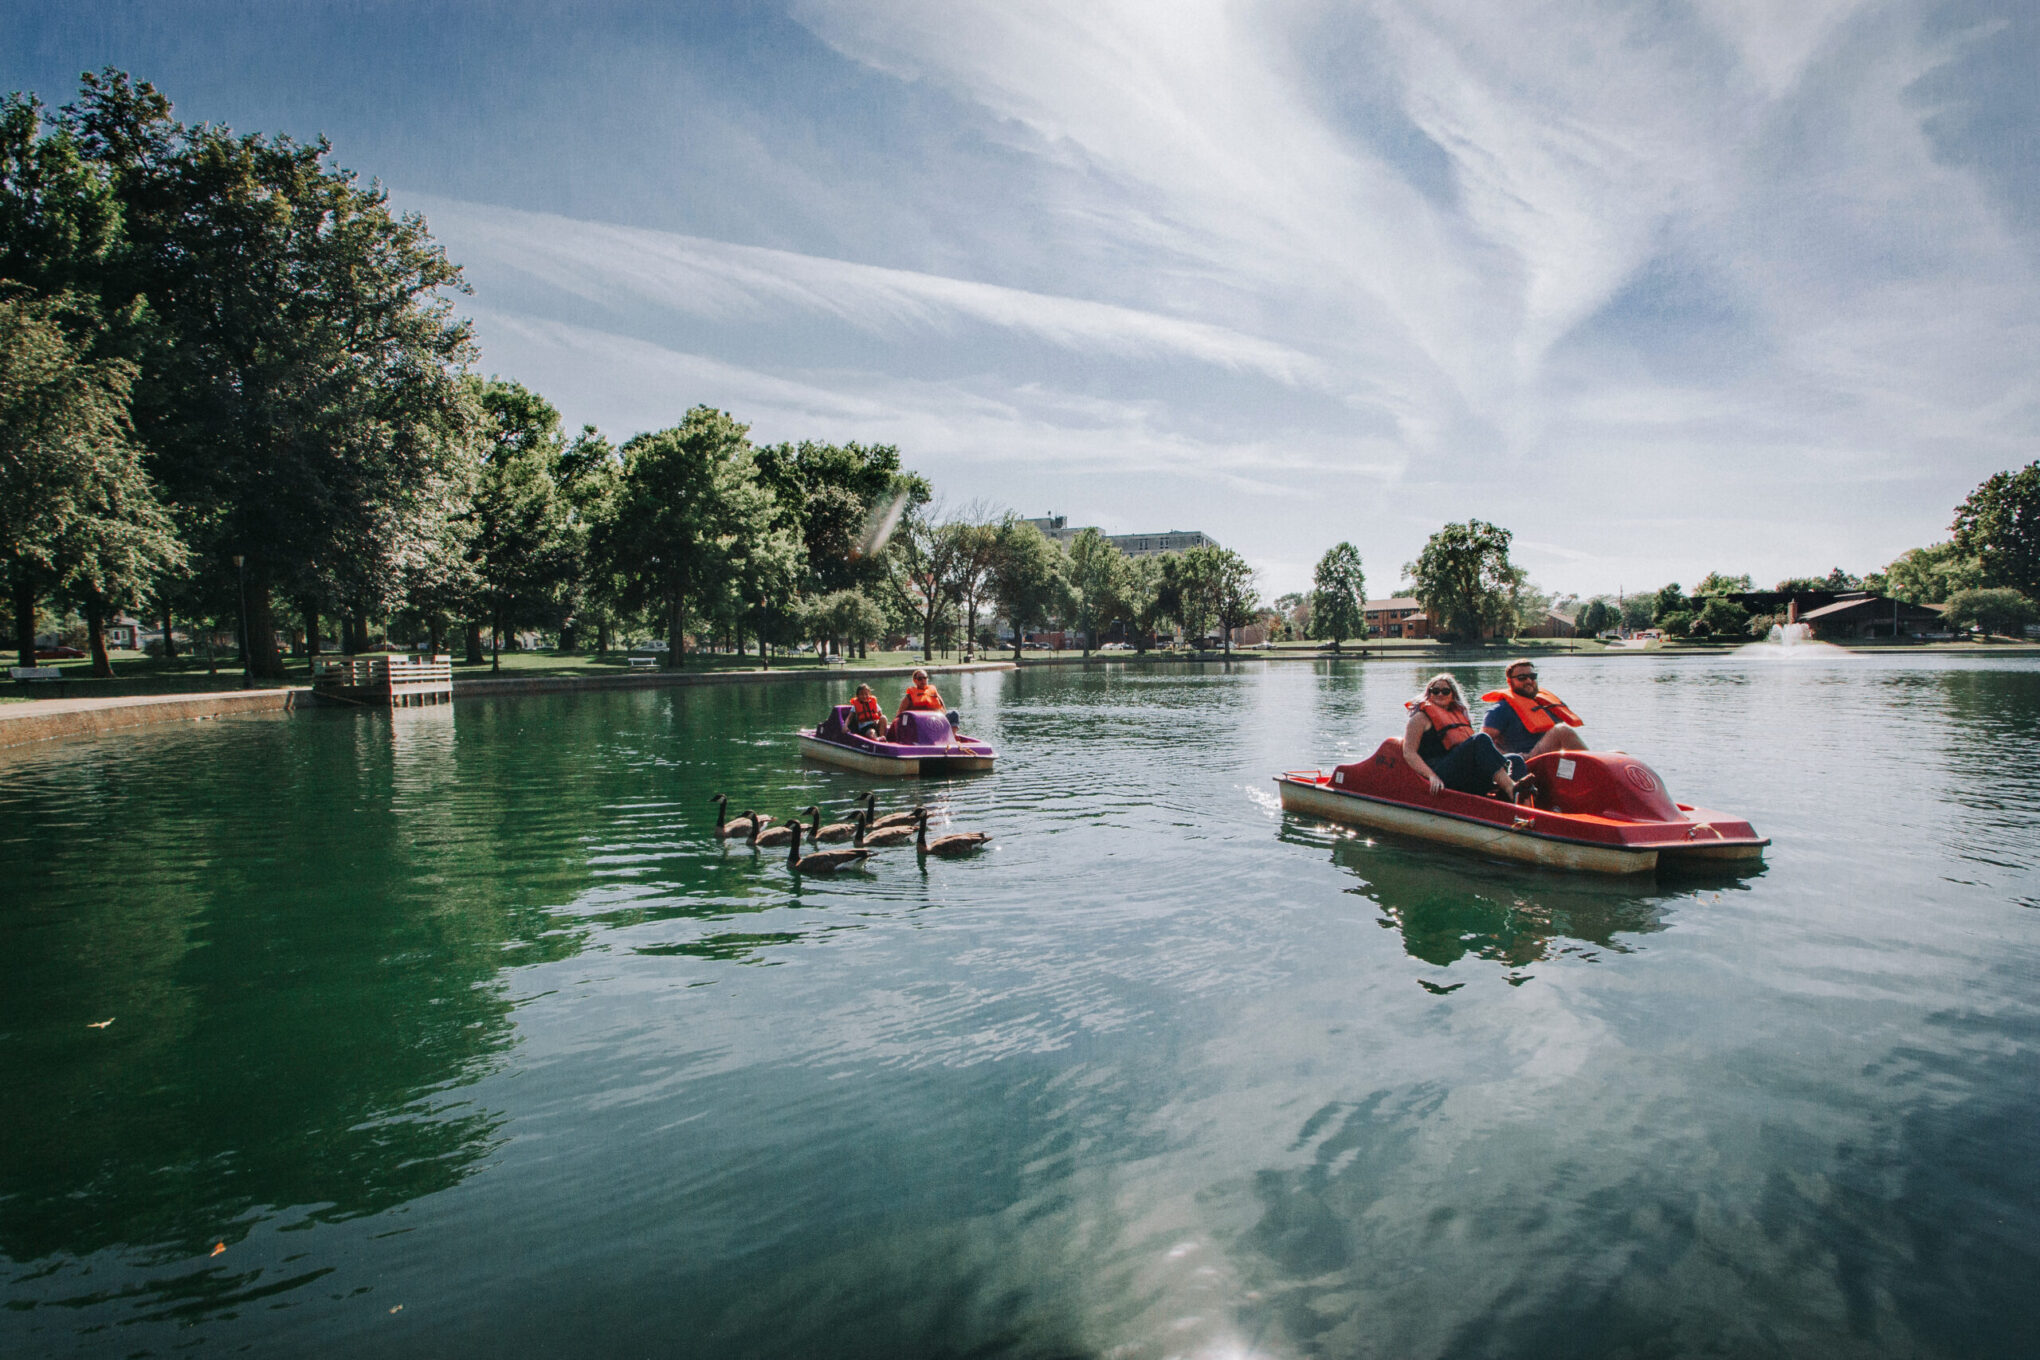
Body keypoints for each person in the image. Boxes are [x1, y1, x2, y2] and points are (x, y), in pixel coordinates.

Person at [1402, 673, 1518, 798]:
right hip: (1439, 773)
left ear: (1453, 696)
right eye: (1435, 691)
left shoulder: (1459, 716)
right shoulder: (1420, 718)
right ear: (1429, 694)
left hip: (1460, 771)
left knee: (1515, 760)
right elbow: (1409, 753)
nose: (1440, 694)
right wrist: (1431, 776)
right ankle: (1511, 788)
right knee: (1481, 739)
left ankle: (1513, 802)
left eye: (1445, 691)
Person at [1480, 659, 1585, 788]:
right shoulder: (1500, 710)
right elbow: (1482, 744)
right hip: (1525, 762)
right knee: (1562, 731)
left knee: (1616, 754)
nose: (1529, 681)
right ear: (1510, 681)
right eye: (1522, 678)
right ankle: (1594, 776)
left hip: (1550, 763)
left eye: (1532, 676)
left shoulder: (1546, 705)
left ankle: (1578, 787)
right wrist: (1508, 758)